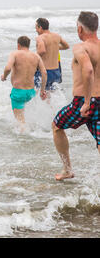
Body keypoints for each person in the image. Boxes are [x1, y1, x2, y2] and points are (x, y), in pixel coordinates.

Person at [52, 11, 100, 181]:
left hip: (84, 102)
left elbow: (88, 70)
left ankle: (67, 170)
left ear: (80, 28)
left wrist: (86, 102)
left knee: (57, 125)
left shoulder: (81, 47)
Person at [1, 36, 47, 131]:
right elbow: (44, 73)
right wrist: (42, 90)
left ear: (18, 45)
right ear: (28, 45)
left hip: (18, 92)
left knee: (20, 122)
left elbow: (8, 68)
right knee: (27, 118)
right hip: (31, 92)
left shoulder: (15, 54)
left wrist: (4, 76)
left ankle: (25, 141)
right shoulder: (36, 56)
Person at [34, 18, 70, 92]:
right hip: (56, 71)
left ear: (40, 27)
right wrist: (55, 47)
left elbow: (42, 50)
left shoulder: (40, 38)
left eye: (36, 27)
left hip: (45, 71)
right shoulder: (57, 36)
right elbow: (66, 46)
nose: (36, 30)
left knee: (39, 92)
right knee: (51, 94)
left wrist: (32, 56)